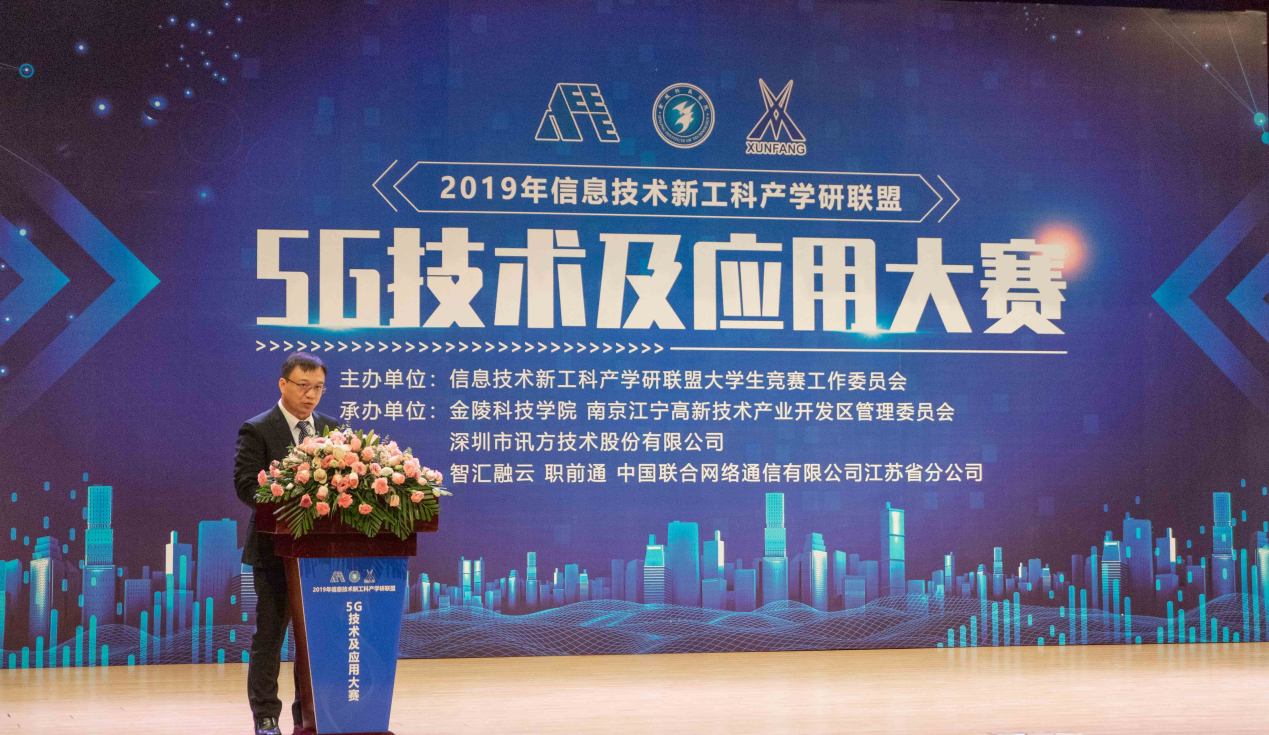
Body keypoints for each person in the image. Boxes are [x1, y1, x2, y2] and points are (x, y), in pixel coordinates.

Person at [233, 353, 340, 735]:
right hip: (274, 552)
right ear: (283, 384)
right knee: (270, 637)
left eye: (318, 388)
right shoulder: (258, 429)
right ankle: (266, 716)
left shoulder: (331, 429)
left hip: (321, 555)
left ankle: (306, 713)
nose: (311, 395)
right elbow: (246, 485)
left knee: (314, 640)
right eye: (303, 386)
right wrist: (292, 504)